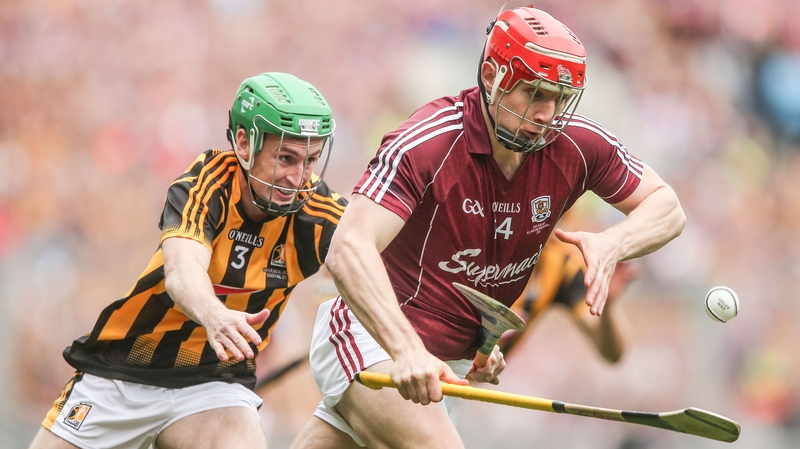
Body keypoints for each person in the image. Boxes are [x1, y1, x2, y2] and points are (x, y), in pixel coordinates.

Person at [292, 5, 686, 449]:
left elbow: (667, 206)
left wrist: (615, 243)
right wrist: (406, 348)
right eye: (535, 93)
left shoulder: (576, 146)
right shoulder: (431, 141)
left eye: (559, 97)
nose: (546, 113)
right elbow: (348, 248)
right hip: (370, 339)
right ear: (493, 74)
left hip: (444, 365)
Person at [28, 72, 347, 449]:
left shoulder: (319, 212)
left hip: (213, 386)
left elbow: (378, 262)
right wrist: (215, 315)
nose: (298, 178)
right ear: (244, 144)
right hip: (124, 373)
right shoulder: (206, 183)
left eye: (309, 161)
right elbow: (182, 272)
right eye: (286, 158)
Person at [499, 224, 643, 363]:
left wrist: (607, 302)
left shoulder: (561, 264)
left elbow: (612, 353)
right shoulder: (482, 241)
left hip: (478, 379)